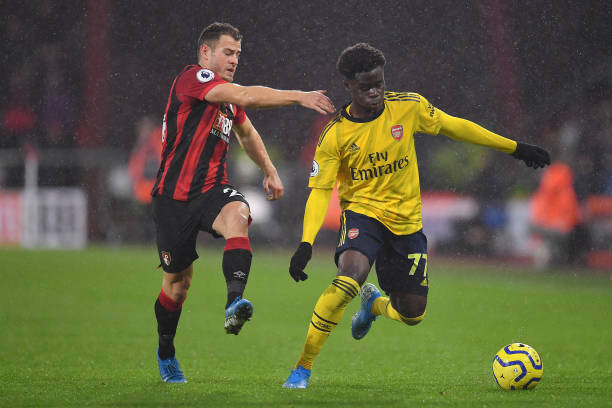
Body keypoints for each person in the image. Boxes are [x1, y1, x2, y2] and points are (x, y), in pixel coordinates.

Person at [282, 43, 550, 388]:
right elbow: (320, 191)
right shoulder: (335, 134)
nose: (376, 91)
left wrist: (515, 147)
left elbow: (456, 127)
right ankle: (302, 368)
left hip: (407, 223)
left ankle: (375, 306)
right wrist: (306, 242)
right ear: (348, 85)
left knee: (412, 314)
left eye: (379, 82)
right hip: (364, 216)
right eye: (366, 86)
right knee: (349, 278)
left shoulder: (408, 107)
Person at [151, 22, 334, 384]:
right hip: (173, 198)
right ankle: (166, 350)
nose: (234, 59)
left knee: (240, 213)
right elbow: (247, 95)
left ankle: (234, 303)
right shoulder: (194, 78)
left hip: (211, 190)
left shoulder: (229, 101)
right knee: (178, 285)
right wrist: (299, 96)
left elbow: (247, 132)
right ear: (206, 53)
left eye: (237, 54)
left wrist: (269, 169)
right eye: (227, 52)